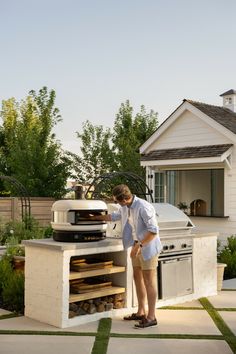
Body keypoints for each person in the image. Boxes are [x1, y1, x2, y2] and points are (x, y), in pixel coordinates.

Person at [89, 184, 162, 328]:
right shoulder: (125, 207)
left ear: (125, 199)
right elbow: (113, 216)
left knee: (149, 281)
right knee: (137, 278)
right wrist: (94, 218)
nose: (116, 203)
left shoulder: (144, 207)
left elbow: (153, 231)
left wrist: (139, 246)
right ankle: (141, 312)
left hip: (147, 247)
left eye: (117, 201)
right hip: (136, 246)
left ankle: (152, 317)